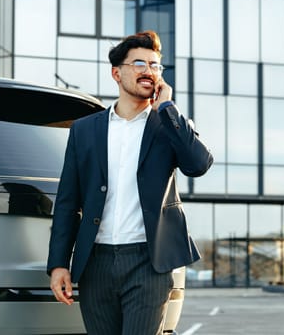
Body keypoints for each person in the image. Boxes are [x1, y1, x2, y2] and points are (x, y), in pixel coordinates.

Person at [46, 30, 213, 334]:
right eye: (139, 63)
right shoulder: (85, 130)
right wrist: (59, 263)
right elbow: (68, 201)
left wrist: (167, 108)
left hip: (148, 262)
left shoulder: (169, 126)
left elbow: (199, 165)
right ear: (116, 73)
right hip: (95, 262)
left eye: (155, 65)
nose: (149, 71)